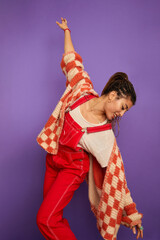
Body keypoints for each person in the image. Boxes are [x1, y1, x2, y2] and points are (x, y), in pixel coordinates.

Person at [36, 17, 143, 240]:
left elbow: (118, 178)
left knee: (45, 219)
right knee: (53, 218)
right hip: (53, 158)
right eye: (123, 107)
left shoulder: (105, 135)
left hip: (73, 168)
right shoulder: (81, 88)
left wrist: (131, 213)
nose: (121, 114)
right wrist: (67, 31)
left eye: (126, 111)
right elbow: (72, 61)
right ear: (113, 95)